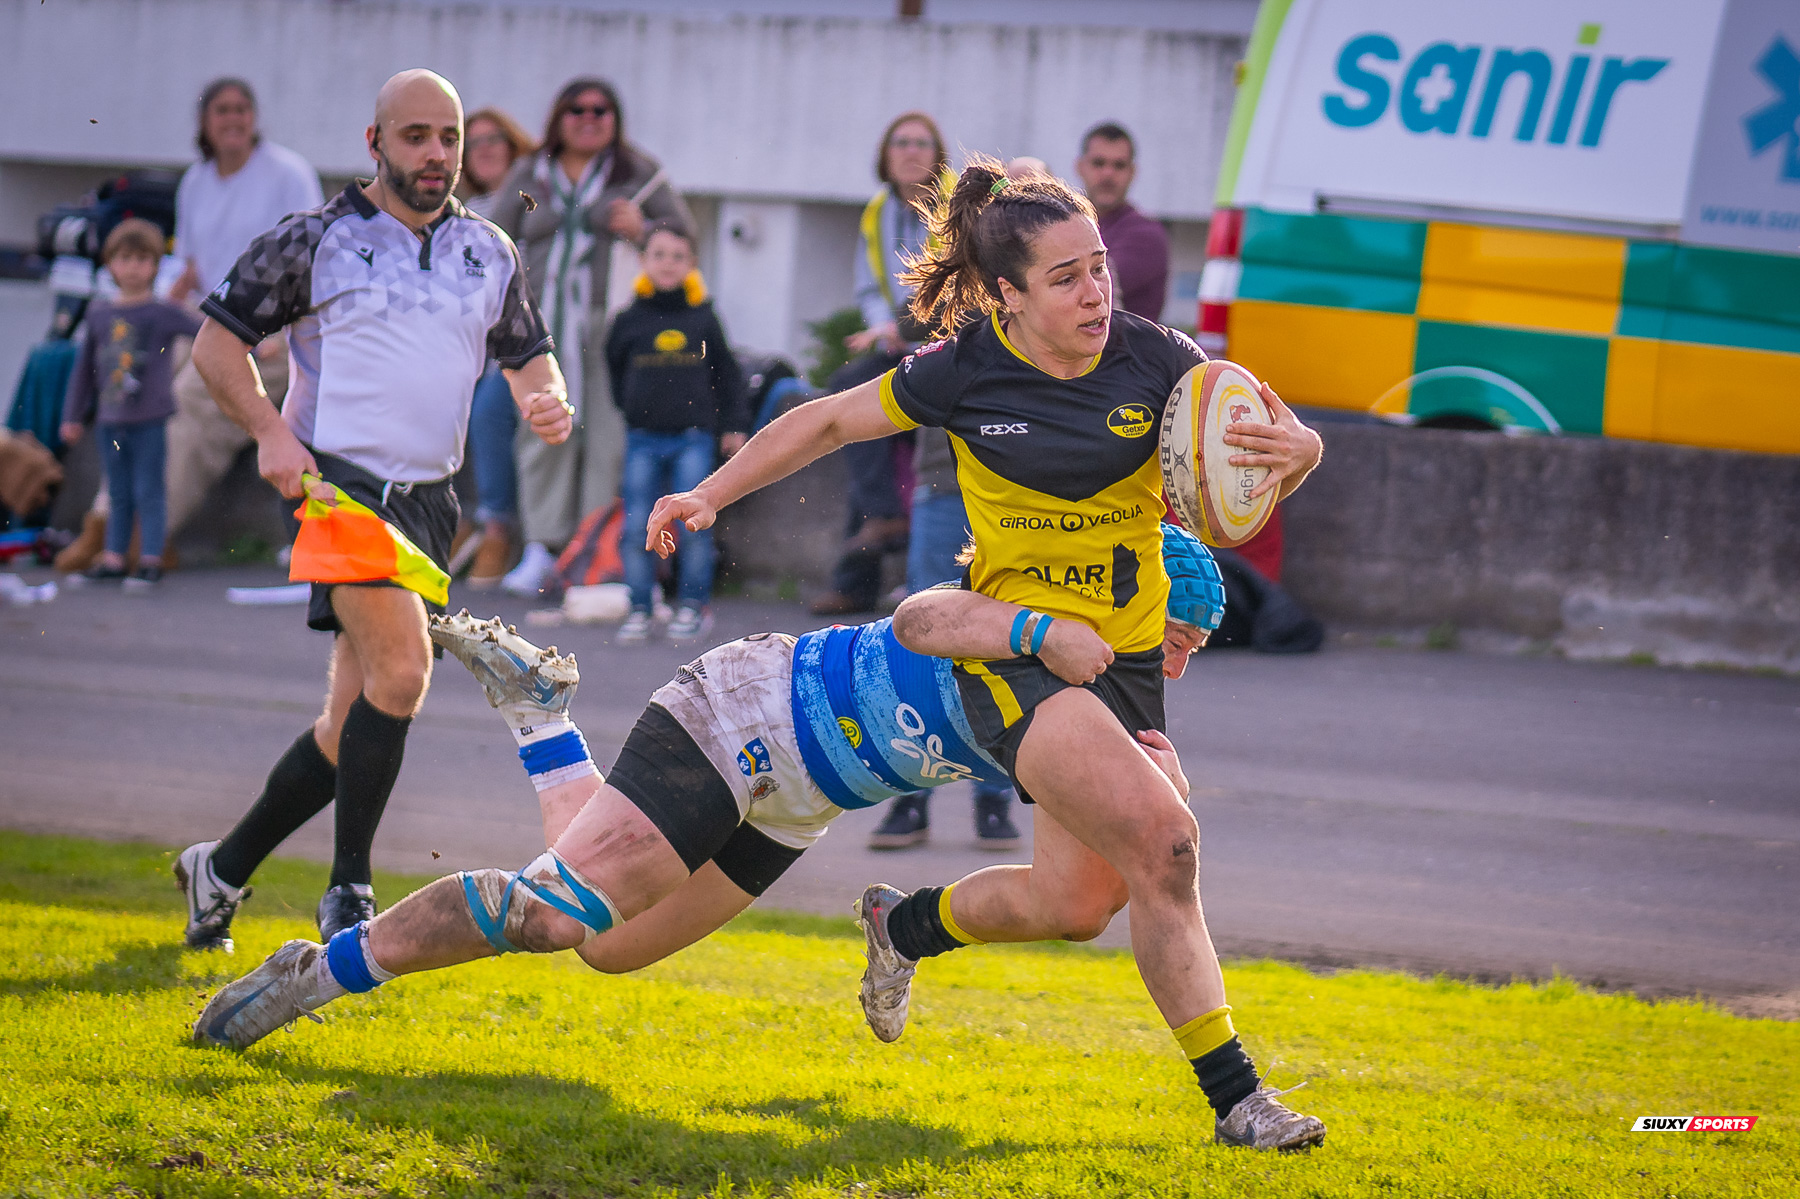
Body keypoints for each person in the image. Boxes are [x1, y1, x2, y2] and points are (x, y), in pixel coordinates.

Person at [643, 157, 1326, 1150]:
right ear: (1006, 293)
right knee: (1167, 846)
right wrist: (711, 494)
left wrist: (1299, 450)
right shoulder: (967, 368)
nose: (1096, 292)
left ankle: (904, 925)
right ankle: (1240, 1099)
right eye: (1065, 277)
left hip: (1125, 657)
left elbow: (1271, 437)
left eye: (1099, 268)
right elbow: (831, 419)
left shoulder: (1161, 359)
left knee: (1078, 899)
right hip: (1015, 657)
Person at [191, 527, 1225, 1054]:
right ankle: (318, 970)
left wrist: (1143, 815)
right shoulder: (1019, 628)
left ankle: (543, 718)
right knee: (552, 916)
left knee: (607, 945)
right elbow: (922, 615)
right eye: (1172, 638)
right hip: (744, 717)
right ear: (1129, 606)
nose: (1174, 668)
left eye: (1195, 652)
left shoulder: (1099, 710)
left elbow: (1083, 885)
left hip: (800, 802)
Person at [174, 69, 572, 952]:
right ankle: (348, 888)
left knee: (348, 717)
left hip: (433, 505)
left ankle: (221, 868)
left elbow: (530, 358)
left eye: (450, 139)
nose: (437, 155)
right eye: (417, 137)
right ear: (376, 143)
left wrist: (549, 398)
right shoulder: (312, 240)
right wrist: (272, 435)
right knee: (402, 674)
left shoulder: (492, 250)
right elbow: (216, 347)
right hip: (339, 490)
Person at [484, 78, 696, 598]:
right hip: (540, 324)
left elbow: (685, 239)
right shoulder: (530, 172)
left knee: (606, 439)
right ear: (558, 117)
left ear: (615, 119)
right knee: (543, 428)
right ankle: (542, 546)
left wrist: (642, 229)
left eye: (601, 110)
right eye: (576, 109)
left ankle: (592, 550)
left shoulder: (639, 173)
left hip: (615, 325)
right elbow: (491, 239)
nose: (588, 118)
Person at [165, 78, 324, 549]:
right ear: (205, 123)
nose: (233, 118)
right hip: (207, 324)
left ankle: (141, 535)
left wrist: (280, 332)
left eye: (241, 109)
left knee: (191, 396)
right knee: (139, 375)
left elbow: (315, 262)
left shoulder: (287, 173)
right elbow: (189, 269)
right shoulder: (195, 181)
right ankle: (105, 523)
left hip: (272, 336)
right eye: (222, 110)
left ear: (254, 119)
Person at [807, 111, 949, 617]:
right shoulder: (875, 212)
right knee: (850, 404)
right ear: (885, 156)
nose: (911, 151)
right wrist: (883, 331)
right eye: (901, 142)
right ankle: (873, 544)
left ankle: (866, 558)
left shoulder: (956, 210)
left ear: (939, 156)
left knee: (861, 415)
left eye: (922, 143)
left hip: (942, 348)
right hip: (896, 346)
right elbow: (870, 286)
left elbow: (955, 288)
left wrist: (897, 331)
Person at [607, 223, 748, 644]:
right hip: (642, 438)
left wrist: (734, 426)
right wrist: (633, 408)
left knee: (693, 524)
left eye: (678, 256)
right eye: (659, 254)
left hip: (693, 437)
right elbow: (614, 371)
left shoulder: (704, 317)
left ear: (692, 265)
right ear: (643, 261)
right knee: (636, 525)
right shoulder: (628, 320)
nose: (668, 263)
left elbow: (727, 376)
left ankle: (691, 606)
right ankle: (639, 607)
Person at [57, 219, 201, 591]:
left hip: (150, 418)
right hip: (110, 419)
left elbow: (204, 331)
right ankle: (113, 557)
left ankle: (150, 557)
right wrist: (72, 416)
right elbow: (83, 371)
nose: (134, 266)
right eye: (125, 258)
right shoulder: (99, 314)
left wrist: (252, 342)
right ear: (110, 264)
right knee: (117, 491)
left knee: (150, 489)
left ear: (155, 265)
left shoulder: (161, 312)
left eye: (142, 258)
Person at [456, 106, 539, 588]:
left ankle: (498, 526)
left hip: (520, 340)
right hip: (467, 342)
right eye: (474, 141)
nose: (484, 149)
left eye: (494, 139)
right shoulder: (459, 210)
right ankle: (459, 522)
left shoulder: (532, 203)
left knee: (489, 412)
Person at [1074, 122, 1169, 321]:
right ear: (1080, 167)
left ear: (1132, 172)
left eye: (1119, 165)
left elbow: (1083, 287)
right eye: (1099, 163)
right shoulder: (1073, 225)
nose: (1108, 173)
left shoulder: (1146, 236)